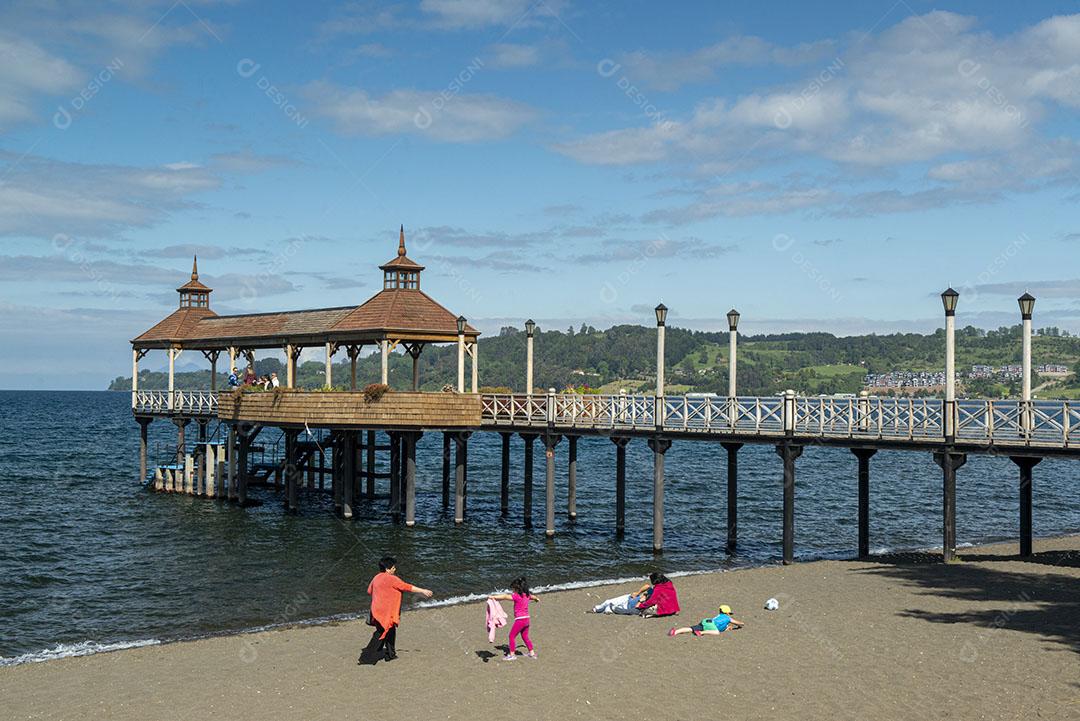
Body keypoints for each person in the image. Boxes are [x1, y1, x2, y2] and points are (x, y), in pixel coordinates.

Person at [359, 556, 432, 664]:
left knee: (391, 631)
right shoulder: (392, 578)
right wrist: (423, 591)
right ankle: (366, 658)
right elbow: (406, 587)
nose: (395, 569)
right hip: (385, 612)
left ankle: (390, 654)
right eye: (393, 568)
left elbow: (369, 591)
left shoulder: (376, 578)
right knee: (380, 633)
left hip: (376, 610)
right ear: (387, 569)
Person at [488, 577, 540, 660]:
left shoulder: (516, 596)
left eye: (513, 589)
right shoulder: (527, 595)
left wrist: (493, 597)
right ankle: (532, 654)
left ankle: (512, 655)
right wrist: (537, 599)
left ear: (517, 589)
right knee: (525, 636)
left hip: (520, 620)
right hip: (527, 619)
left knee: (511, 636)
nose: (512, 591)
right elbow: (533, 596)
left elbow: (505, 596)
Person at [669, 604, 744, 637]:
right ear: (727, 613)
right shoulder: (728, 618)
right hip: (711, 625)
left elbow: (722, 627)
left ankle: (675, 632)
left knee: (691, 628)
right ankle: (701, 633)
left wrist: (728, 628)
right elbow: (738, 623)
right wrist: (741, 624)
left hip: (707, 621)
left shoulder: (719, 617)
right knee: (717, 632)